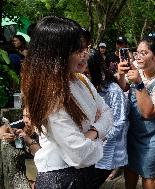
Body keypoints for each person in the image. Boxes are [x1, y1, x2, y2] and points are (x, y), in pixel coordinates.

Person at [19, 16, 113, 188]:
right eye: (78, 50)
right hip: (61, 179)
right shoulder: (51, 94)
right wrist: (101, 134)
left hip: (83, 175)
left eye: (86, 48)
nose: (84, 54)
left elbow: (108, 113)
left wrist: (92, 133)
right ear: (56, 54)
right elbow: (80, 155)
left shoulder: (81, 80)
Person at [117, 36, 155, 189]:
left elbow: (148, 113)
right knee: (129, 167)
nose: (139, 57)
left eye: (144, 53)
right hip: (133, 131)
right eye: (137, 53)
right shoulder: (137, 66)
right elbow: (123, 88)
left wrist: (138, 83)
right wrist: (121, 74)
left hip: (154, 136)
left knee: (148, 174)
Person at [88, 54, 129, 187]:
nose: (83, 76)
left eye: (87, 72)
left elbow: (119, 123)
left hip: (106, 149)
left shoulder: (113, 91)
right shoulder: (87, 87)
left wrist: (95, 136)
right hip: (89, 147)